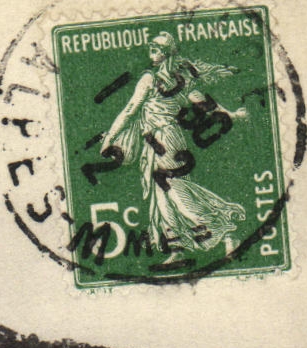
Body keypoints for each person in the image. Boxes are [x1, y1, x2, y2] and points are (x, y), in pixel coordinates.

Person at [99, 32, 249, 262]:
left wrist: (110, 137)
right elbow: (206, 103)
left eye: (158, 47)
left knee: (176, 192)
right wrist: (232, 115)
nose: (152, 49)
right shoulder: (182, 79)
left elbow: (130, 110)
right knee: (161, 197)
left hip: (163, 139)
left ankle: (226, 232)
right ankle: (177, 248)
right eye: (152, 46)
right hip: (163, 140)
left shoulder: (149, 79)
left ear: (168, 53)